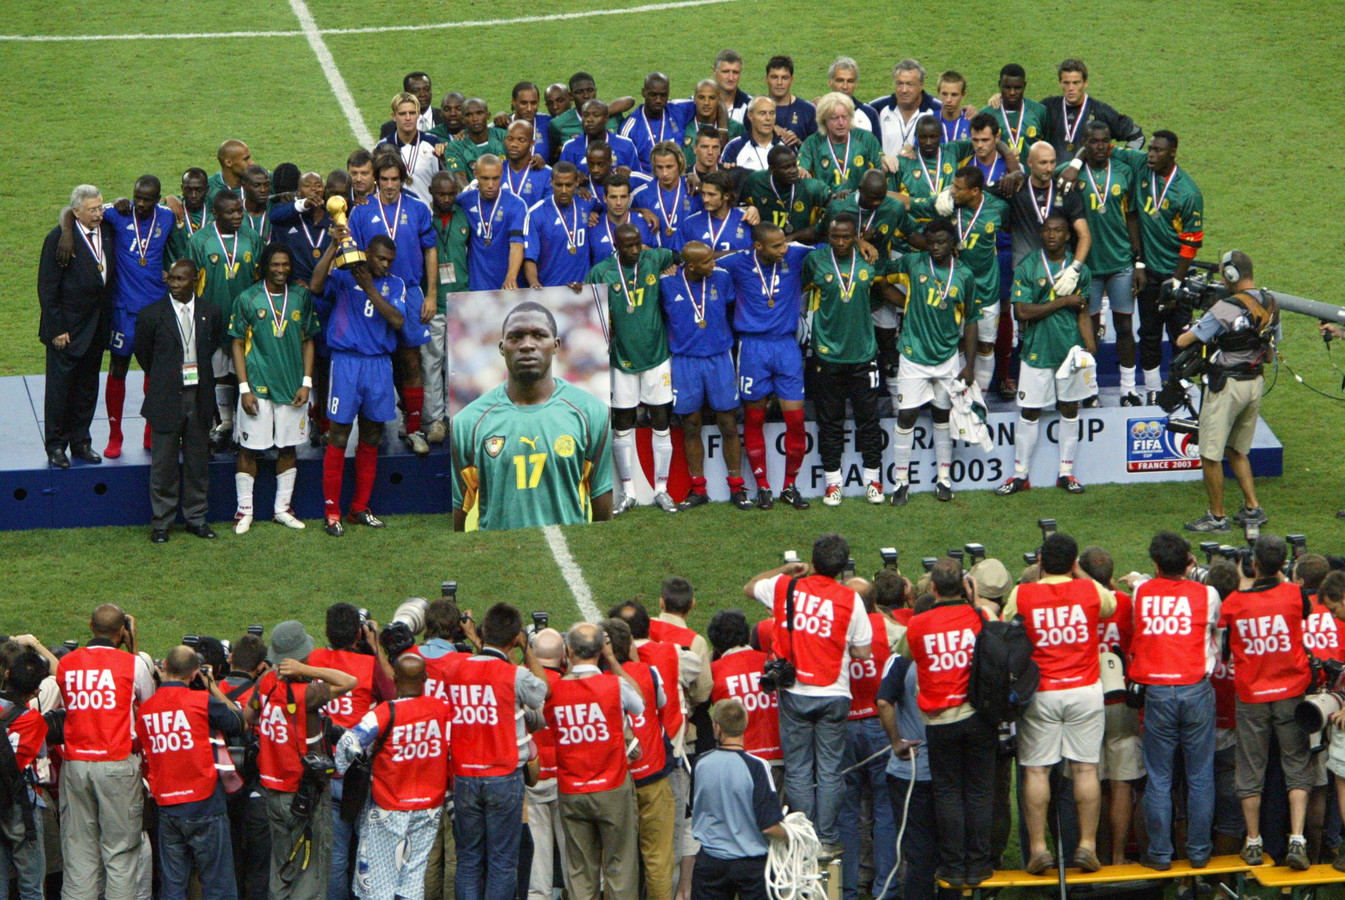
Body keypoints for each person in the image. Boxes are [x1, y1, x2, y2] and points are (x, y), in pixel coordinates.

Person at [745, 533, 873, 858]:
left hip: (795, 691)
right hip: (834, 693)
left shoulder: (785, 586)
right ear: (842, 567)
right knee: (829, 770)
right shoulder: (850, 599)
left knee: (799, 769)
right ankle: (827, 840)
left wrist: (785, 569)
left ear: (812, 562)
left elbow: (749, 587)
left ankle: (805, 838)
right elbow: (863, 651)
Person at [999, 532, 1117, 874]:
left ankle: (1038, 850)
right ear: (1074, 563)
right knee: (1085, 769)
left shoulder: (1023, 594)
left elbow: (1008, 627)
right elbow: (1110, 603)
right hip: (1084, 690)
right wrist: (1079, 573)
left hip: (1042, 692)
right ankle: (1087, 845)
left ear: (1039, 562)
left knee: (1036, 770)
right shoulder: (1089, 590)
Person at [452, 302, 614, 530]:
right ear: (501, 347)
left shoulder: (592, 413)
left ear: (556, 345)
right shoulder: (467, 423)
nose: (527, 345)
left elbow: (604, 517)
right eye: (516, 337)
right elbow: (456, 521)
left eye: (539, 335)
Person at [55, 176, 175, 459]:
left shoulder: (167, 216)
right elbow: (69, 211)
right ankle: (115, 434)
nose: (141, 204)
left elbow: (178, 212)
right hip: (123, 311)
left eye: (148, 199)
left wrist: (175, 199)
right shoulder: (117, 212)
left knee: (155, 373)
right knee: (118, 369)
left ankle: (150, 432)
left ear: (157, 199)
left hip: (156, 311)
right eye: (138, 197)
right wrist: (66, 233)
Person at [1126, 531, 1222, 870]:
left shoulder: (1141, 592)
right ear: (1189, 562)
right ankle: (1198, 854)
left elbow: (1142, 604)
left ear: (1155, 564)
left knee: (1160, 778)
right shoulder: (1207, 594)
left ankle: (1162, 855)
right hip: (1195, 690)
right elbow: (1213, 627)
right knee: (1199, 777)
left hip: (1158, 694)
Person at [1217, 534, 1314, 870]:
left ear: (1253, 563)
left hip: (1252, 696)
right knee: (1297, 765)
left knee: (1250, 768)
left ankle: (1254, 841)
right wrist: (1278, 573)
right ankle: (1298, 840)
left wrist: (1247, 577)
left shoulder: (1233, 603)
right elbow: (1300, 605)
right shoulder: (1294, 593)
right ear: (1284, 564)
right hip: (1291, 692)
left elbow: (1225, 631)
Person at [898, 559, 996, 888]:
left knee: (948, 793)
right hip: (978, 715)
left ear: (934, 589)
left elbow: (903, 653)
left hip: (939, 721)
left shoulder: (918, 624)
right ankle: (979, 863)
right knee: (980, 791)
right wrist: (976, 599)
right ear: (965, 586)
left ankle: (954, 866)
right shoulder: (979, 616)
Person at [244, 622, 357, 900]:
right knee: (310, 869)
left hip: (272, 791)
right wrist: (306, 671)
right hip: (303, 794)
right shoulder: (305, 693)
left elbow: (249, 716)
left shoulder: (266, 682)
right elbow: (349, 682)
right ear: (298, 657)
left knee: (283, 867)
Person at [446, 603, 549, 900]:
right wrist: (527, 648)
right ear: (515, 638)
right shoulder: (515, 675)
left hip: (464, 777)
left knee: (468, 860)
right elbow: (542, 693)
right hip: (503, 777)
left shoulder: (455, 668)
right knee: (503, 862)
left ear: (482, 631)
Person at [307, 232, 407, 535]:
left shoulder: (396, 284)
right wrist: (334, 247)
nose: (386, 264)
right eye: (380, 258)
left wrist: (369, 288)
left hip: (378, 364)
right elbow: (315, 286)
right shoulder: (344, 276)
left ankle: (359, 508)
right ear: (367, 254)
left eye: (390, 259)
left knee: (372, 434)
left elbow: (398, 321)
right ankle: (331, 512)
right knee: (338, 434)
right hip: (347, 362)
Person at [56, 604, 156, 900]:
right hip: (117, 765)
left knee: (79, 854)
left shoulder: (67, 664)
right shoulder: (133, 664)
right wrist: (134, 647)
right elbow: (147, 704)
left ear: (90, 626)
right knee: (121, 857)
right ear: (122, 630)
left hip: (76, 765)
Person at [334, 653, 452, 900]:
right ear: (425, 678)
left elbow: (348, 743)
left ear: (394, 678)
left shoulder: (383, 713)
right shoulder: (441, 709)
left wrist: (345, 768)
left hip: (388, 808)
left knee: (378, 882)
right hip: (429, 807)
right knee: (413, 879)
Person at [1175, 250, 1278, 533]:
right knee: (1237, 450)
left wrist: (1194, 324)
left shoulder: (1224, 308)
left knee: (1210, 453)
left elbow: (1184, 341)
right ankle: (1252, 508)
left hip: (1227, 387)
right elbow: (1270, 355)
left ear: (1231, 275)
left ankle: (1217, 517)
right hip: (1254, 384)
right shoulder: (1271, 304)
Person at [544, 623, 645, 900]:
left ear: (569, 651)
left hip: (572, 789)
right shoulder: (615, 684)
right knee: (621, 866)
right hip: (612, 786)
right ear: (602, 649)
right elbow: (641, 704)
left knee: (579, 871)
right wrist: (613, 661)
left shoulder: (554, 692)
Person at [997, 214, 1096, 496]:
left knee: (1069, 409)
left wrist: (1090, 344)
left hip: (1070, 354)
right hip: (1036, 352)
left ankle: (1066, 473)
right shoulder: (1028, 266)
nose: (1051, 235)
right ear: (1041, 234)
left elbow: (1083, 312)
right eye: (1047, 230)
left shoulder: (1080, 272)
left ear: (1068, 237)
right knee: (1029, 412)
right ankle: (1020, 475)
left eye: (1058, 231)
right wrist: (1063, 300)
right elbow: (1023, 311)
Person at [139, 646, 246, 900]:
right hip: (204, 802)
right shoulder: (201, 701)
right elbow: (238, 723)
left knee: (173, 885)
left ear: (164, 665)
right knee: (217, 884)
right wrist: (211, 687)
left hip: (167, 805)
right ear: (195, 672)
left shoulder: (147, 709)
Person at [720, 224, 814, 509]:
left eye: (784, 243)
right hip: (752, 347)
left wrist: (859, 242)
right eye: (776, 246)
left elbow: (828, 242)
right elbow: (704, 260)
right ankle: (762, 486)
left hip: (786, 345)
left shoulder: (795, 255)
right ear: (757, 247)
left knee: (795, 420)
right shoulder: (737, 262)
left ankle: (789, 486)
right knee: (754, 417)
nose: (783, 250)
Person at [347, 152, 435, 455]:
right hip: (374, 291)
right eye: (383, 179)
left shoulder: (417, 208)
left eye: (394, 179)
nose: (388, 185)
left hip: (409, 291)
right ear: (375, 179)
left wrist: (432, 294)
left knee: (411, 360)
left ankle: (413, 428)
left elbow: (430, 252)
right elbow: (356, 256)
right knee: (379, 361)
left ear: (404, 178)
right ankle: (378, 425)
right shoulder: (360, 211)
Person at [307, 604, 396, 900]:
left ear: (326, 632)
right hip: (358, 772)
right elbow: (395, 697)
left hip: (325, 766)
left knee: (335, 857)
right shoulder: (368, 666)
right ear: (358, 632)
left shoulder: (315, 659)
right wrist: (375, 649)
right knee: (368, 855)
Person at [586, 225, 677, 513]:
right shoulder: (601, 272)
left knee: (660, 419)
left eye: (638, 244)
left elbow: (685, 255)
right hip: (621, 359)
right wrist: (576, 288)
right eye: (629, 246)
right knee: (623, 422)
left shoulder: (654, 259)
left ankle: (661, 489)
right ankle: (628, 492)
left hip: (657, 355)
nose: (635, 250)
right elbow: (586, 302)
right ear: (616, 245)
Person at [885, 218, 976, 506]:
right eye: (931, 242)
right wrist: (906, 304)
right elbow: (881, 280)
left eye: (942, 242)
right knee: (906, 416)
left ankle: (944, 479)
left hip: (947, 356)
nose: (935, 247)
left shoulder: (964, 275)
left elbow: (972, 320)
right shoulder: (913, 263)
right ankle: (901, 482)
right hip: (913, 354)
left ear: (953, 243)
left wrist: (970, 364)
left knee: (942, 416)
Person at [230, 244, 320, 533]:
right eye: (275, 265)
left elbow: (308, 340)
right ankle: (244, 510)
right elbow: (236, 344)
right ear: (265, 266)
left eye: (285, 265)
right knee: (248, 449)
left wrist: (306, 383)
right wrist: (244, 388)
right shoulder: (248, 298)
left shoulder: (301, 297)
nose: (281, 270)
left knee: (288, 447)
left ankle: (282, 508)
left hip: (292, 386)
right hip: (257, 386)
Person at [134, 259, 226, 542]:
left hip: (199, 397)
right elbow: (144, 356)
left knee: (198, 464)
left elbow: (211, 347)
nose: (173, 284)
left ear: (195, 280)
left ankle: (196, 519)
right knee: (163, 465)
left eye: (180, 280)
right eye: (171, 279)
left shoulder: (211, 312)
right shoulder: (151, 315)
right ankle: (162, 523)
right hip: (165, 397)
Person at [658, 241, 751, 509]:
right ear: (691, 266)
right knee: (691, 425)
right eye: (708, 261)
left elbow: (733, 308)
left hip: (719, 358)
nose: (714, 263)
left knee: (729, 424)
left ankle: (736, 488)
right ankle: (698, 489)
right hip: (685, 362)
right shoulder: (667, 285)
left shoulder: (721, 278)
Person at [801, 214, 885, 505]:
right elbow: (798, 290)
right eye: (834, 237)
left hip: (863, 353)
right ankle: (832, 483)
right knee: (830, 421)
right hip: (828, 354)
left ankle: (873, 479)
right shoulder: (816, 262)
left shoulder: (869, 260)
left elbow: (885, 290)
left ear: (855, 236)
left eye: (846, 237)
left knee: (868, 420)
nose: (839, 242)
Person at [1057, 121, 1142, 404]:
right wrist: (1075, 162)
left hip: (1120, 264)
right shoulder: (1070, 174)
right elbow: (1047, 175)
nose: (1100, 147)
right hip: (1088, 268)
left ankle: (1128, 389)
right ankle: (1090, 389)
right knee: (1088, 332)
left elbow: (1132, 216)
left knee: (1125, 329)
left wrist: (1138, 260)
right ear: (1085, 143)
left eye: (1105, 141)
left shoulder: (1123, 171)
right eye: (1093, 142)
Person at [906, 165, 1011, 393]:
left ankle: (978, 397)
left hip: (986, 288)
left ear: (974, 191)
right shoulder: (946, 205)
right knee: (960, 341)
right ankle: (958, 393)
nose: (952, 191)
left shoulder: (998, 208)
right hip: (953, 286)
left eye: (957, 188)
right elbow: (908, 204)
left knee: (985, 345)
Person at [38, 184, 115, 468]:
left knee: (87, 387)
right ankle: (56, 445)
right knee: (60, 390)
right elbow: (47, 288)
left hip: (97, 327)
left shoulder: (106, 229)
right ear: (76, 212)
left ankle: (81, 441)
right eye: (92, 210)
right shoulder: (59, 238)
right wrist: (56, 329)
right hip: (66, 331)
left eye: (99, 207)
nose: (98, 214)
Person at [603, 617, 676, 900]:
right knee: (657, 858)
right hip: (653, 779)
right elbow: (660, 705)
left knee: (617, 861)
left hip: (617, 783)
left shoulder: (596, 681)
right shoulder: (649, 672)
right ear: (630, 645)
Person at [188, 192, 264, 449]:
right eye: (231, 212)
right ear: (216, 214)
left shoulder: (252, 238)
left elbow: (259, 278)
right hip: (211, 318)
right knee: (215, 374)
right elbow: (190, 281)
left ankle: (242, 429)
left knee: (242, 373)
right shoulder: (200, 240)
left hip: (245, 320)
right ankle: (222, 423)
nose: (237, 216)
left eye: (240, 211)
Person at [690, 699, 786, 900]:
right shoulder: (758, 767)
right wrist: (793, 837)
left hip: (710, 862)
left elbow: (696, 806)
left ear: (717, 727)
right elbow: (768, 826)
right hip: (752, 866)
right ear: (745, 724)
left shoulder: (700, 763)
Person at [838, 581, 898, 900]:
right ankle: (885, 889)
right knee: (885, 810)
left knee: (846, 813)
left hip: (844, 727)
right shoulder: (890, 628)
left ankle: (846, 890)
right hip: (882, 725)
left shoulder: (833, 627)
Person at [875, 639, 934, 900]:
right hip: (949, 770)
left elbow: (884, 701)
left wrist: (896, 742)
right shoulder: (952, 653)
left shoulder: (900, 660)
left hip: (910, 770)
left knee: (919, 855)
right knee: (949, 854)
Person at [0, 644, 52, 900]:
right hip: (21, 805)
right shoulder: (34, 722)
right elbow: (40, 761)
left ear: (7, 675)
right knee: (31, 887)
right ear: (35, 691)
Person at [524, 629, 569, 900]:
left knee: (537, 867)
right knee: (575, 861)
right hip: (565, 778)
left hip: (533, 776)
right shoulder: (570, 684)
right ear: (564, 654)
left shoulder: (522, 684)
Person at [708, 610, 781, 770]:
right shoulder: (770, 662)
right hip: (780, 756)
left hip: (739, 760)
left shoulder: (713, 670)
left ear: (716, 645)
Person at [427, 172, 470, 444]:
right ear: (431, 192)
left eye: (451, 194)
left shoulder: (466, 215)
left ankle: (456, 418)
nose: (446, 199)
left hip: (460, 300)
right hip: (433, 304)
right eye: (441, 194)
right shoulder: (423, 218)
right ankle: (434, 420)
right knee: (432, 363)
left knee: (457, 364)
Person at [1040, 59, 1144, 158]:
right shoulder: (1047, 107)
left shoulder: (1101, 111)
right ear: (1060, 83)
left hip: (1087, 176)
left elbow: (1137, 136)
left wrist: (1123, 160)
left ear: (1085, 83)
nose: (1071, 88)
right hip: (1053, 175)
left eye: (1076, 83)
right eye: (1066, 83)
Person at [458, 154, 529, 290]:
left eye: (495, 178)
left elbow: (517, 244)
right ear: (475, 175)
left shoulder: (516, 204)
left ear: (502, 174)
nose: (491, 185)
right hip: (476, 287)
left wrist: (511, 277)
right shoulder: (464, 201)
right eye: (485, 178)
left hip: (508, 287)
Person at [523, 162, 594, 288]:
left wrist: (595, 213)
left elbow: (612, 208)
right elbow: (529, 258)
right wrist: (534, 283)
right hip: (551, 291)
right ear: (551, 182)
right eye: (559, 185)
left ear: (577, 182)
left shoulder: (587, 202)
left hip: (583, 290)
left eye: (569, 185)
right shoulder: (536, 213)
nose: (564, 190)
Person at [798, 93, 886, 193]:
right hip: (826, 205)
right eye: (835, 118)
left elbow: (881, 167)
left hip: (860, 204)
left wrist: (888, 160)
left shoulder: (866, 139)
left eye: (844, 117)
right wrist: (801, 170)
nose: (841, 123)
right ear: (824, 120)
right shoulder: (812, 142)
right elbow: (801, 167)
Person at [740, 146, 830, 242]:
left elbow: (832, 216)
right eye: (786, 167)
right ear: (771, 170)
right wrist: (750, 207)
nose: (793, 171)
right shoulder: (756, 181)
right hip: (767, 246)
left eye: (794, 165)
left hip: (805, 246)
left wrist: (793, 237)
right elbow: (739, 207)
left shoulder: (813, 187)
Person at [376, 91, 446, 207]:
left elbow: (443, 180)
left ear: (418, 114)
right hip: (394, 215)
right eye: (402, 114)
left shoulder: (433, 143)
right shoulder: (382, 147)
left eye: (412, 113)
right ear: (394, 116)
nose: (408, 118)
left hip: (426, 212)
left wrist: (444, 159)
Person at [632, 142, 703, 248]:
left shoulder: (695, 191)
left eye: (669, 167)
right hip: (656, 260)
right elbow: (621, 214)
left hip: (689, 259)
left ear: (680, 163)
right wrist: (641, 211)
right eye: (659, 167)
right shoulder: (640, 195)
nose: (664, 173)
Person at [620, 73, 695, 173]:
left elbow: (711, 94)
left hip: (678, 181)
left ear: (668, 93)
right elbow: (625, 169)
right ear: (644, 93)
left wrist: (722, 129)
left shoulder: (678, 110)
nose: (658, 100)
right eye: (653, 95)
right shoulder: (630, 128)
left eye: (663, 95)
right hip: (646, 184)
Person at [871, 59, 941, 156]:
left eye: (910, 84)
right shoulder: (877, 107)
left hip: (924, 170)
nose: (904, 90)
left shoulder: (937, 109)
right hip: (887, 170)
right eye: (900, 84)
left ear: (921, 85)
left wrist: (968, 111)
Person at [982, 64, 1049, 163]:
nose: (1012, 92)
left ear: (1024, 86)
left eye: (1017, 88)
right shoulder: (986, 115)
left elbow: (1048, 148)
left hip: (1031, 176)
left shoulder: (1040, 112)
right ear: (1000, 85)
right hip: (998, 176)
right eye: (1007, 87)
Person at [672, 171, 751, 254]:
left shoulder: (746, 219)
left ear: (726, 196)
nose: (705, 199)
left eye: (711, 195)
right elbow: (680, 258)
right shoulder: (690, 223)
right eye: (703, 193)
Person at [560, 100, 640, 174]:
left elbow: (638, 179)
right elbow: (561, 180)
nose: (589, 120)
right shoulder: (570, 147)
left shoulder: (626, 145)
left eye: (595, 115)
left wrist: (628, 176)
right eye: (585, 115)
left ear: (606, 118)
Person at [681, 79, 743, 168]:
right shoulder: (684, 126)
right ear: (694, 99)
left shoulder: (735, 128)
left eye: (712, 98)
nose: (706, 103)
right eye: (701, 97)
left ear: (719, 100)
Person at [446, 98, 507, 183]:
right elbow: (458, 176)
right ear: (462, 119)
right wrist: (471, 194)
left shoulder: (503, 136)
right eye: (469, 115)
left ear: (488, 115)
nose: (475, 119)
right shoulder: (454, 147)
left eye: (479, 113)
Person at [720, 96, 782, 173]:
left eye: (772, 113)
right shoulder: (734, 147)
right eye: (762, 113)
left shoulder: (786, 145)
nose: (768, 118)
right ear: (750, 116)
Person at [764, 55, 815, 146]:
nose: (779, 83)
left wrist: (798, 143)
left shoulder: (808, 110)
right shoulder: (755, 109)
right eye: (774, 77)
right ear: (766, 79)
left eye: (784, 78)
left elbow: (818, 151)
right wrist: (766, 129)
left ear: (792, 80)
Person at [377, 71, 445, 140]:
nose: (423, 94)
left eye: (426, 89)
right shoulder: (389, 128)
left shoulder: (445, 119)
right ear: (407, 94)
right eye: (416, 90)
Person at [500, 120, 552, 205]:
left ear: (532, 143)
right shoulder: (496, 170)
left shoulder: (547, 174)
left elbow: (549, 210)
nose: (514, 144)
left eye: (521, 140)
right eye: (510, 139)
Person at [826, 57, 881, 135]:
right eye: (840, 80)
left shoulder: (869, 113)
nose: (845, 86)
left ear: (856, 84)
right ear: (830, 82)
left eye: (850, 81)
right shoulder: (818, 113)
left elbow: (877, 146)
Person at [206, 140, 253, 207]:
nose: (252, 163)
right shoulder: (208, 189)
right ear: (228, 162)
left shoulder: (259, 183)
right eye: (246, 159)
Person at [935, 71, 971, 142]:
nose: (948, 100)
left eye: (954, 95)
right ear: (938, 93)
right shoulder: (929, 121)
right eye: (944, 94)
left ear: (963, 94)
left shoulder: (971, 122)